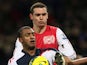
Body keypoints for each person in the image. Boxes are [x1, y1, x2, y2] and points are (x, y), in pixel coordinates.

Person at [8, 26, 87, 65]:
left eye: (33, 34)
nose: (32, 37)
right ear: (20, 40)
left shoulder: (50, 52)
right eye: (27, 35)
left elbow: (70, 63)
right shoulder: (15, 62)